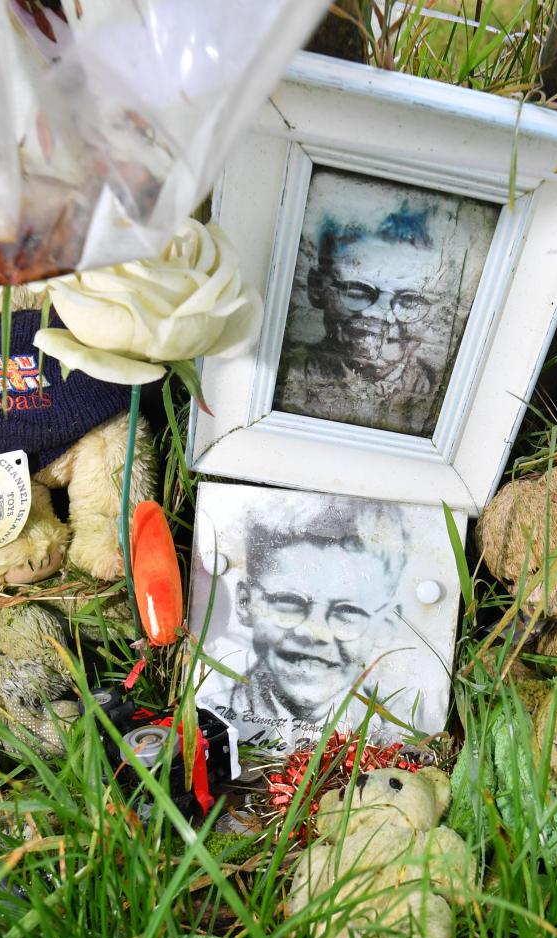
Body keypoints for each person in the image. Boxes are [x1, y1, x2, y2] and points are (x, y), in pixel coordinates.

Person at [273, 188, 474, 438]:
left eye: (411, 301)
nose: (382, 317)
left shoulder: (452, 404)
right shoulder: (281, 380)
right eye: (356, 291)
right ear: (316, 289)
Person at [226, 496, 410, 747]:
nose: (315, 634)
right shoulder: (206, 714)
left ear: (385, 626)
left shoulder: (400, 739)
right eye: (288, 601)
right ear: (246, 602)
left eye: (348, 611)